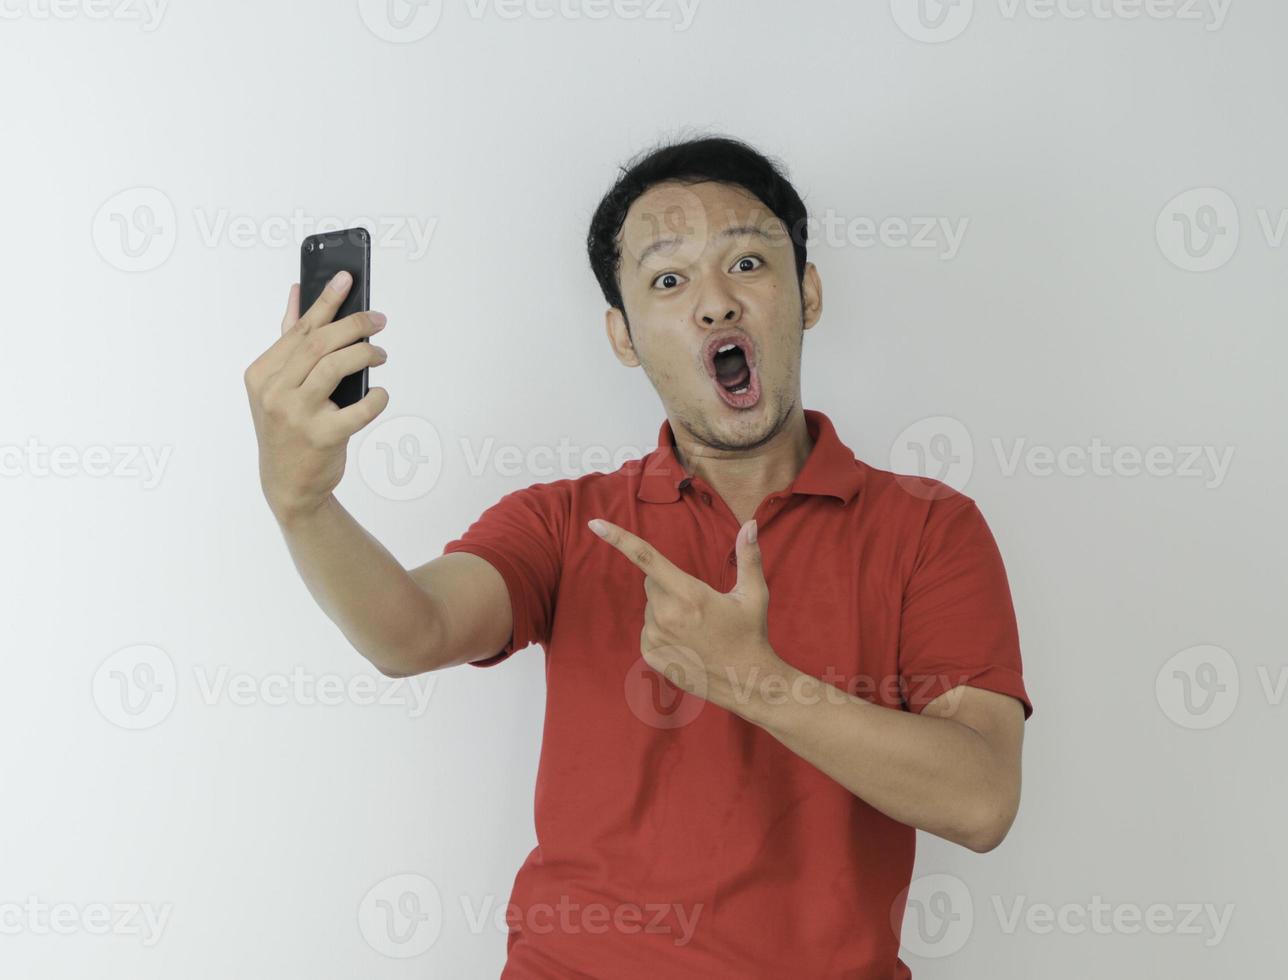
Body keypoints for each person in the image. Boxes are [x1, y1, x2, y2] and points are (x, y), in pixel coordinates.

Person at [243, 135, 1032, 979]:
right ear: (622, 335)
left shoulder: (927, 529)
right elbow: (411, 631)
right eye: (668, 279)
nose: (716, 304)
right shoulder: (565, 522)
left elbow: (980, 799)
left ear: (806, 292)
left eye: (749, 264)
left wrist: (752, 679)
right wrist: (303, 503)